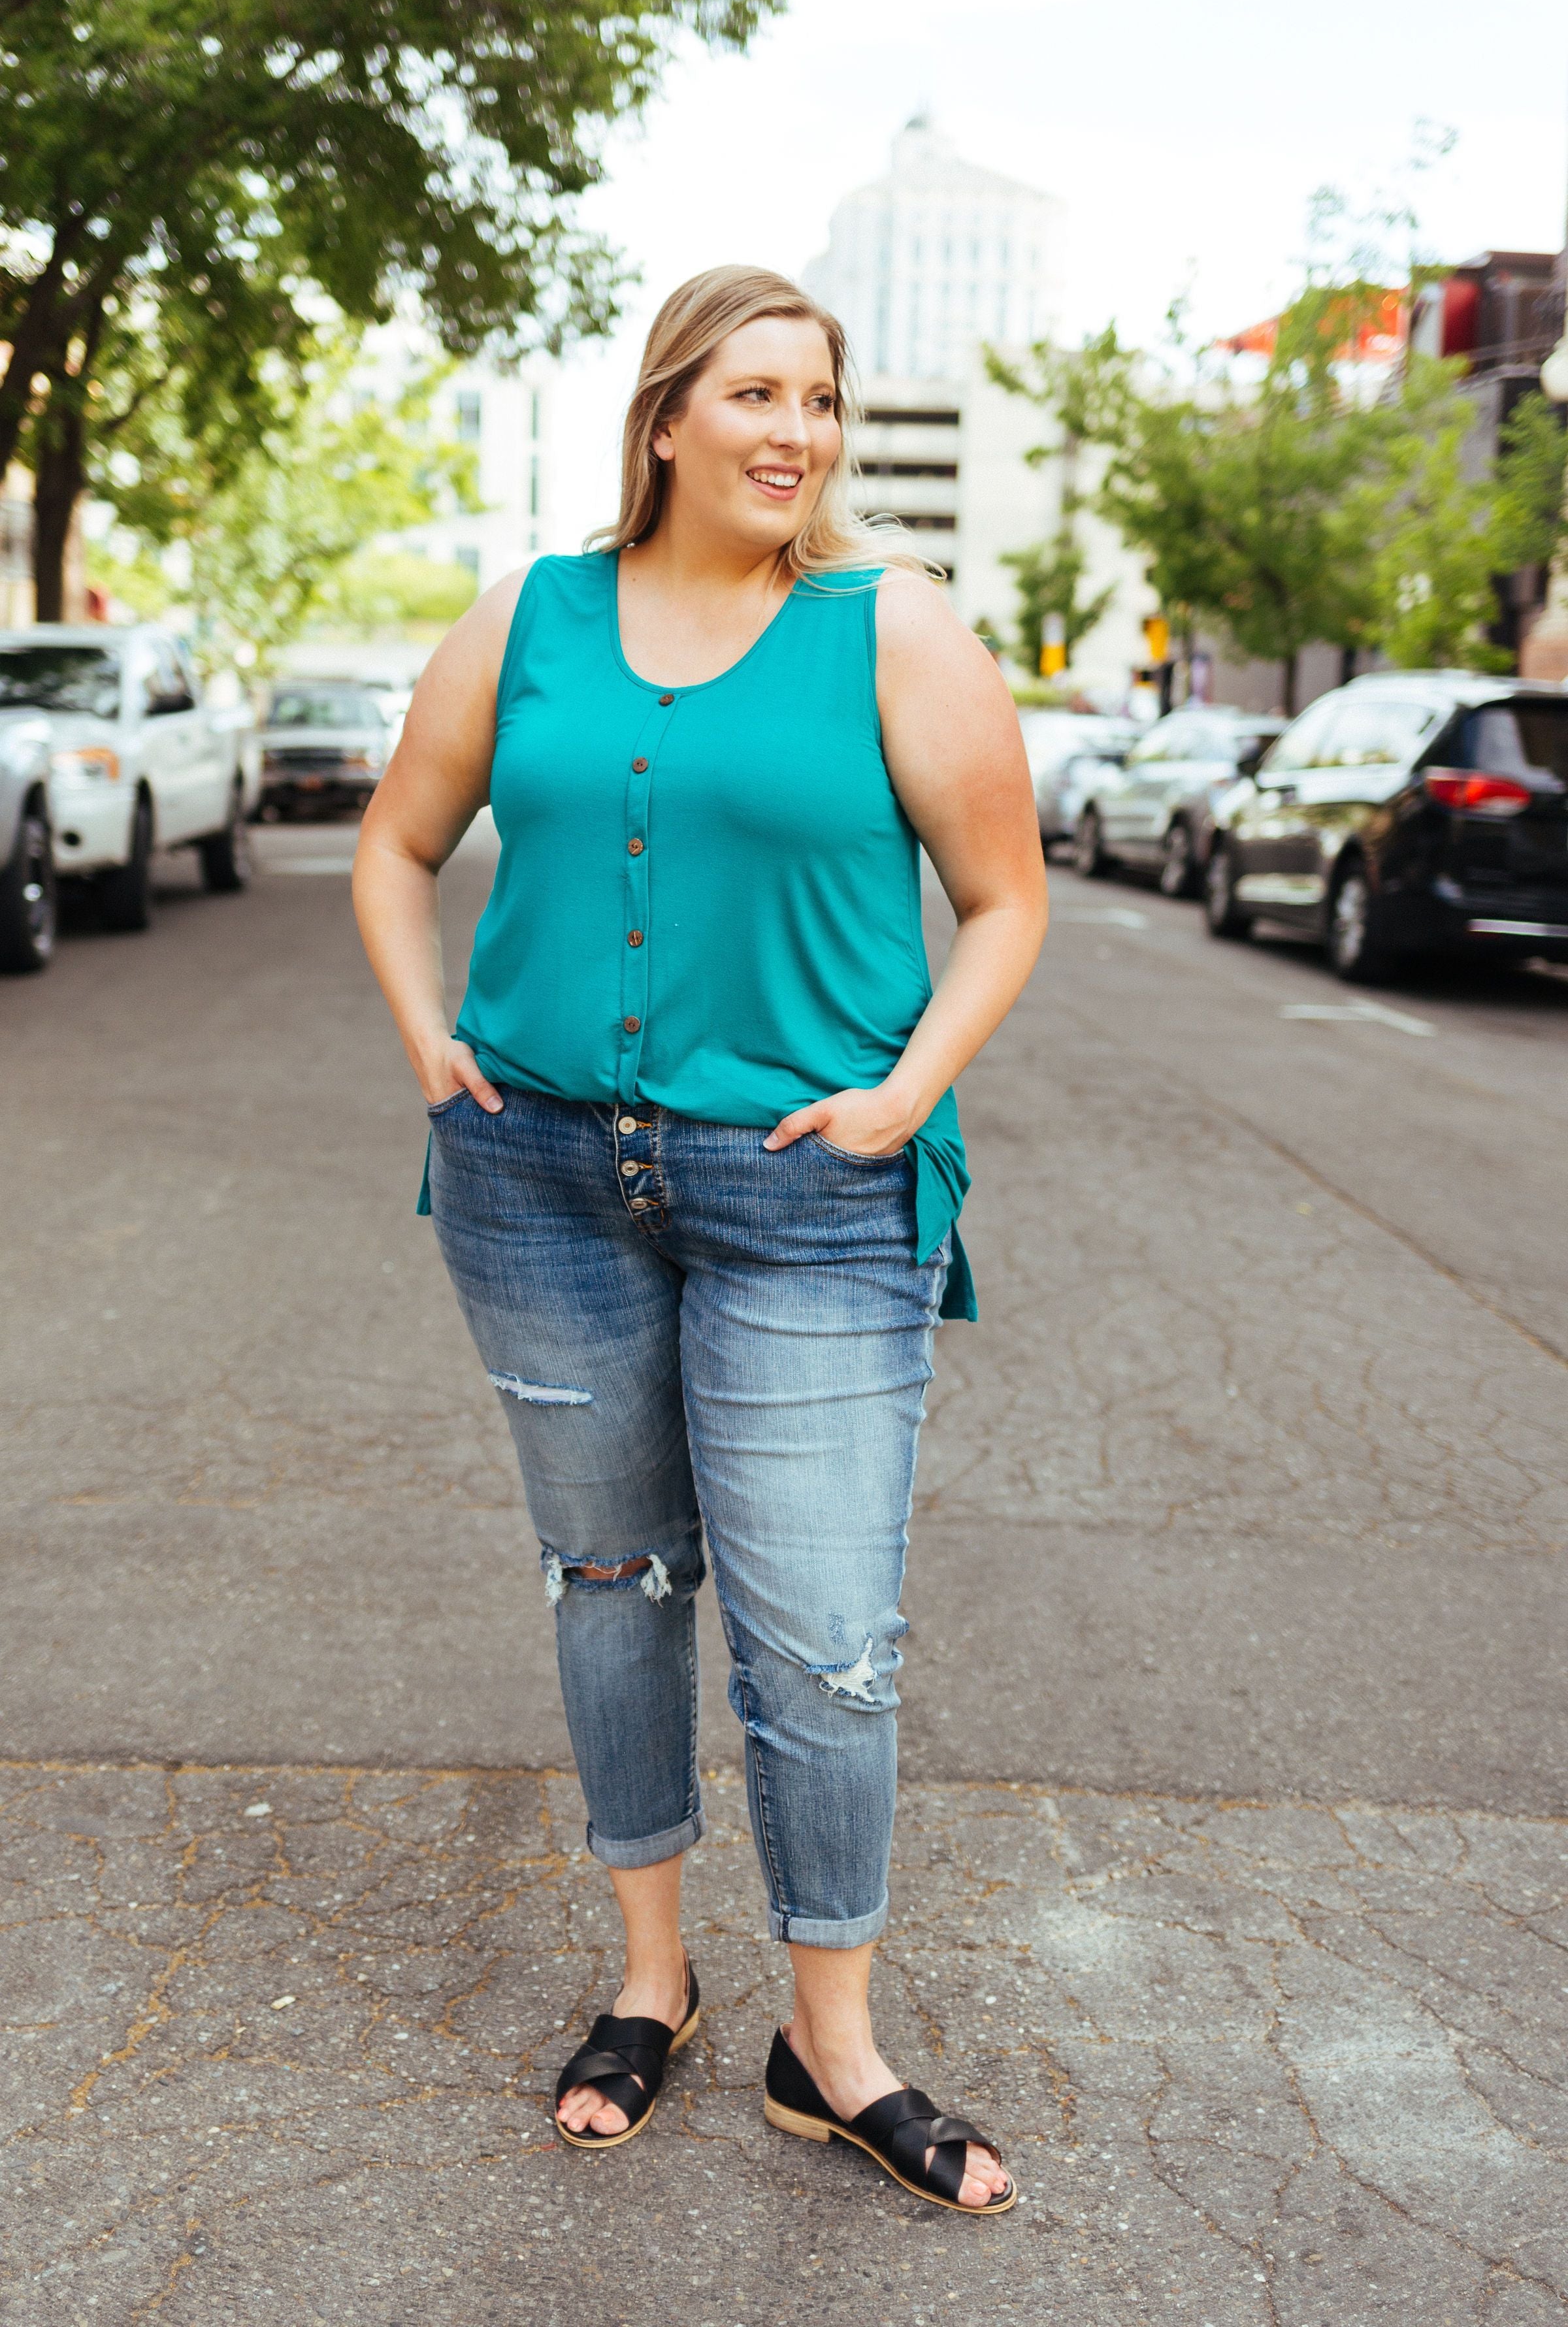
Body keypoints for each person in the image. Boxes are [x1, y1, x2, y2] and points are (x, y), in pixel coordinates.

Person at [353, 265, 1047, 2215]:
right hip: (539, 1175)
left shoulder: (889, 630)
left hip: (812, 1194)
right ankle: (648, 1982)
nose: (796, 436)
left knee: (826, 1644)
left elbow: (1003, 901)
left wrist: (907, 1099)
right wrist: (431, 1043)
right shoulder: (533, 618)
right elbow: (401, 844)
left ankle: (834, 2047)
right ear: (664, 419)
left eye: (820, 401)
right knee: (609, 1574)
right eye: (756, 395)